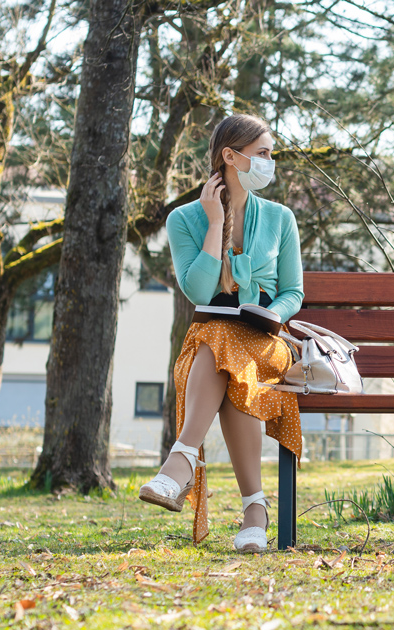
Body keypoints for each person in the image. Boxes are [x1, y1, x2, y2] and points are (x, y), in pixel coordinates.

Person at [139, 114, 304, 552]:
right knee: (224, 352)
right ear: (231, 157)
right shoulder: (184, 220)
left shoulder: (281, 218)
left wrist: (273, 315)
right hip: (214, 342)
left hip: (268, 341)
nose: (271, 163)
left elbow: (293, 292)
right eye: (263, 154)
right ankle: (256, 509)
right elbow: (195, 289)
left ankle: (180, 462)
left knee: (223, 348)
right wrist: (215, 224)